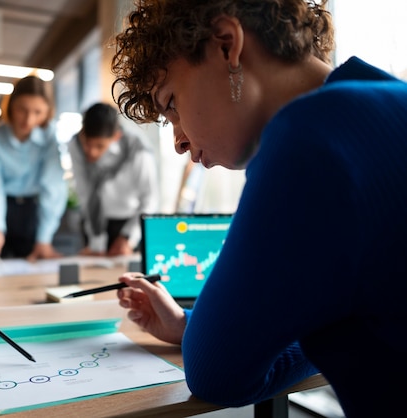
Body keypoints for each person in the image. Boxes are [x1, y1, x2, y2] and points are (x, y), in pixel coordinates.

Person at [110, 1, 407, 417]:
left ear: (227, 45)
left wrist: (203, 335)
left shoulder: (310, 142)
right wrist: (190, 328)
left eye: (171, 102)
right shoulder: (387, 101)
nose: (178, 141)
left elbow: (217, 373)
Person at [0, 75, 68, 261]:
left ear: (47, 112)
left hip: (33, 214)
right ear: (11, 106)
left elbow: (53, 188)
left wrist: (44, 238)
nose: (28, 119)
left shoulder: (49, 138)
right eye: (22, 110)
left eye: (37, 112)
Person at [68, 102, 159, 256]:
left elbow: (149, 198)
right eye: (87, 144)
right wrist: (96, 241)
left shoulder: (137, 149)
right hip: (94, 222)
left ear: (116, 137)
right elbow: (85, 193)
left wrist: (127, 237)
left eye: (99, 146)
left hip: (129, 223)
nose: (91, 152)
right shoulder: (76, 144)